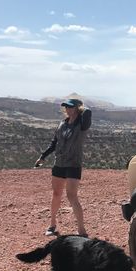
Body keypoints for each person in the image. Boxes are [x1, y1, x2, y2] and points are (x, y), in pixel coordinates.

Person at [35, 98, 92, 237]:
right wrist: (43, 156)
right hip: (59, 163)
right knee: (56, 194)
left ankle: (81, 230)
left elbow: (88, 112)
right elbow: (54, 143)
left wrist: (81, 106)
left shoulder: (82, 124)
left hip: (73, 164)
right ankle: (52, 225)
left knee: (72, 196)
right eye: (66, 106)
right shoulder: (62, 124)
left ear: (77, 108)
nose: (67, 109)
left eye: (70, 107)